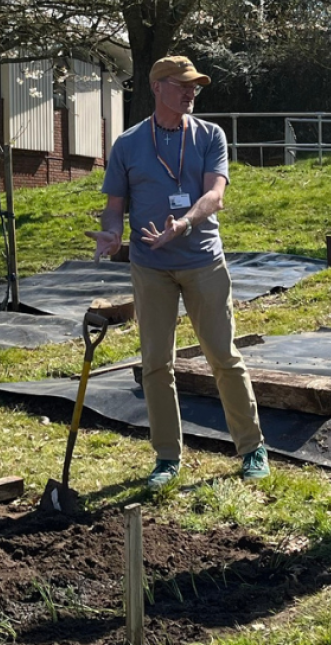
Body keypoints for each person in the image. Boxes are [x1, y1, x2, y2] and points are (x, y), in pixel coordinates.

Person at [86, 55, 269, 489]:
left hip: (203, 261)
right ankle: (167, 458)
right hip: (151, 268)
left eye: (195, 87)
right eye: (183, 85)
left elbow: (215, 195)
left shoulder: (210, 136)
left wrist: (184, 224)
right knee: (156, 364)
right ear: (157, 87)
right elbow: (115, 210)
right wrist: (112, 236)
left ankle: (252, 447)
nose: (191, 93)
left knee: (223, 356)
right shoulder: (128, 145)